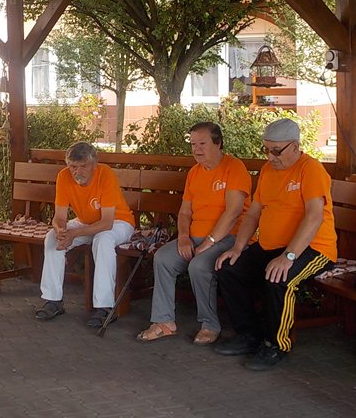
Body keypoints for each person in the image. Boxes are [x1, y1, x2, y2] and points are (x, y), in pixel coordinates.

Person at [214, 118, 337, 370]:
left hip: (313, 248)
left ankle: (276, 345)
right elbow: (253, 213)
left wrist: (289, 256)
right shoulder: (268, 170)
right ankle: (249, 336)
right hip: (271, 246)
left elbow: (314, 216)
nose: (270, 156)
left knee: (279, 278)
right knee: (230, 269)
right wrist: (238, 247)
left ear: (295, 146)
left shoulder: (311, 169)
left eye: (276, 151)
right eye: (266, 150)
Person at [136, 122, 251, 345]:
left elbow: (233, 212)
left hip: (229, 237)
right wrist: (183, 237)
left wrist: (208, 242)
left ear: (218, 143)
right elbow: (185, 212)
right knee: (163, 258)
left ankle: (210, 325)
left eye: (202, 144)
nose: (196, 149)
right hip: (196, 237)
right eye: (193, 144)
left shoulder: (234, 167)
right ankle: (164, 322)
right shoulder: (195, 172)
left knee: (199, 265)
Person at [35, 142, 135, 328]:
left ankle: (105, 307)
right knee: (51, 239)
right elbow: (59, 217)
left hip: (119, 222)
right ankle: (53, 301)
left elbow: (107, 222)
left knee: (103, 240)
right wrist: (60, 231)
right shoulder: (63, 176)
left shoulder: (105, 174)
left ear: (94, 164)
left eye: (83, 166)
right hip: (85, 222)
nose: (77, 172)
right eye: (73, 166)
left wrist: (74, 233)